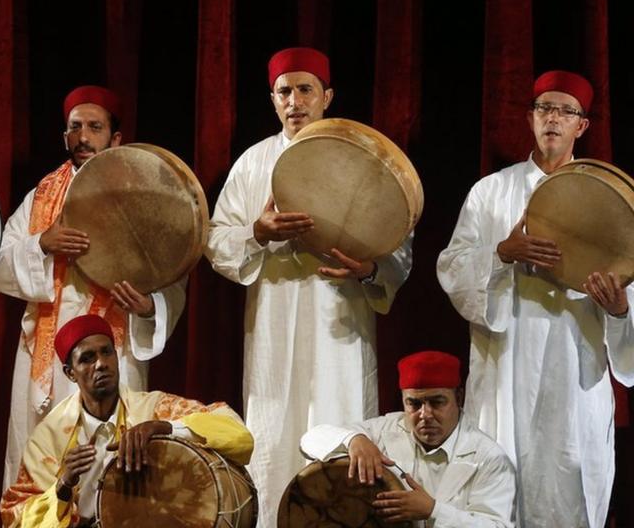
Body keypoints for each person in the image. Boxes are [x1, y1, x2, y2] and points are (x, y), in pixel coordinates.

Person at [205, 47, 413, 526]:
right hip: (274, 330)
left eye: (305, 90)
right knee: (274, 438)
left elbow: (398, 241)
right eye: (284, 92)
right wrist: (259, 232)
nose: (294, 101)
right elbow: (216, 241)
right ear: (272, 99)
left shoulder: (360, 158)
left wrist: (370, 271)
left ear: (327, 96)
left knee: (341, 435)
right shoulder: (254, 163)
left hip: (341, 327)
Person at [437, 70, 634, 528]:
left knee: (568, 484)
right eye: (545, 108)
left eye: (566, 111)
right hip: (505, 368)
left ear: (581, 126)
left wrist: (620, 310)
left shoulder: (610, 200)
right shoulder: (490, 193)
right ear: (529, 118)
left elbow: (630, 284)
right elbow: (451, 266)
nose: (553, 118)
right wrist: (502, 252)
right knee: (498, 487)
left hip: (575, 373)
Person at [0, 85, 187, 487]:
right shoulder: (41, 198)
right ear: (65, 136)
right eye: (75, 127)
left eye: (94, 127)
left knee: (110, 468)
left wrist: (150, 307)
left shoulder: (144, 193)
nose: (83, 137)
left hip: (114, 352)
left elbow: (172, 269)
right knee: (44, 464)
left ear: (115, 138)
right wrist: (42, 243)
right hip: (49, 357)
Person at [0, 314, 253, 527]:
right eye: (87, 358)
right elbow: (14, 515)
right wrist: (64, 486)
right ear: (70, 373)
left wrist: (164, 427)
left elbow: (237, 432)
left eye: (106, 352)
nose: (100, 364)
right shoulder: (49, 438)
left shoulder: (152, 408)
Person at [301, 350, 515, 527]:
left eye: (437, 402)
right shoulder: (384, 430)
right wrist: (354, 440)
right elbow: (310, 440)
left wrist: (433, 510)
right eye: (414, 404)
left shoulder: (490, 458)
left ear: (458, 398)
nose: (425, 414)